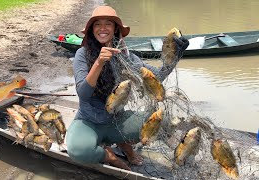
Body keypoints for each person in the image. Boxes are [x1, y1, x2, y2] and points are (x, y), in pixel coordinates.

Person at [66, 5, 189, 170]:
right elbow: (83, 94)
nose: (102, 28)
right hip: (89, 121)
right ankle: (109, 155)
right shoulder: (82, 54)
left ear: (115, 29)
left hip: (117, 121)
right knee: (78, 151)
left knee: (162, 122)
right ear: (91, 30)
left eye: (108, 24)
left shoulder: (125, 56)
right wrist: (99, 63)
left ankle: (124, 145)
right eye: (97, 24)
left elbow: (157, 77)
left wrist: (175, 55)